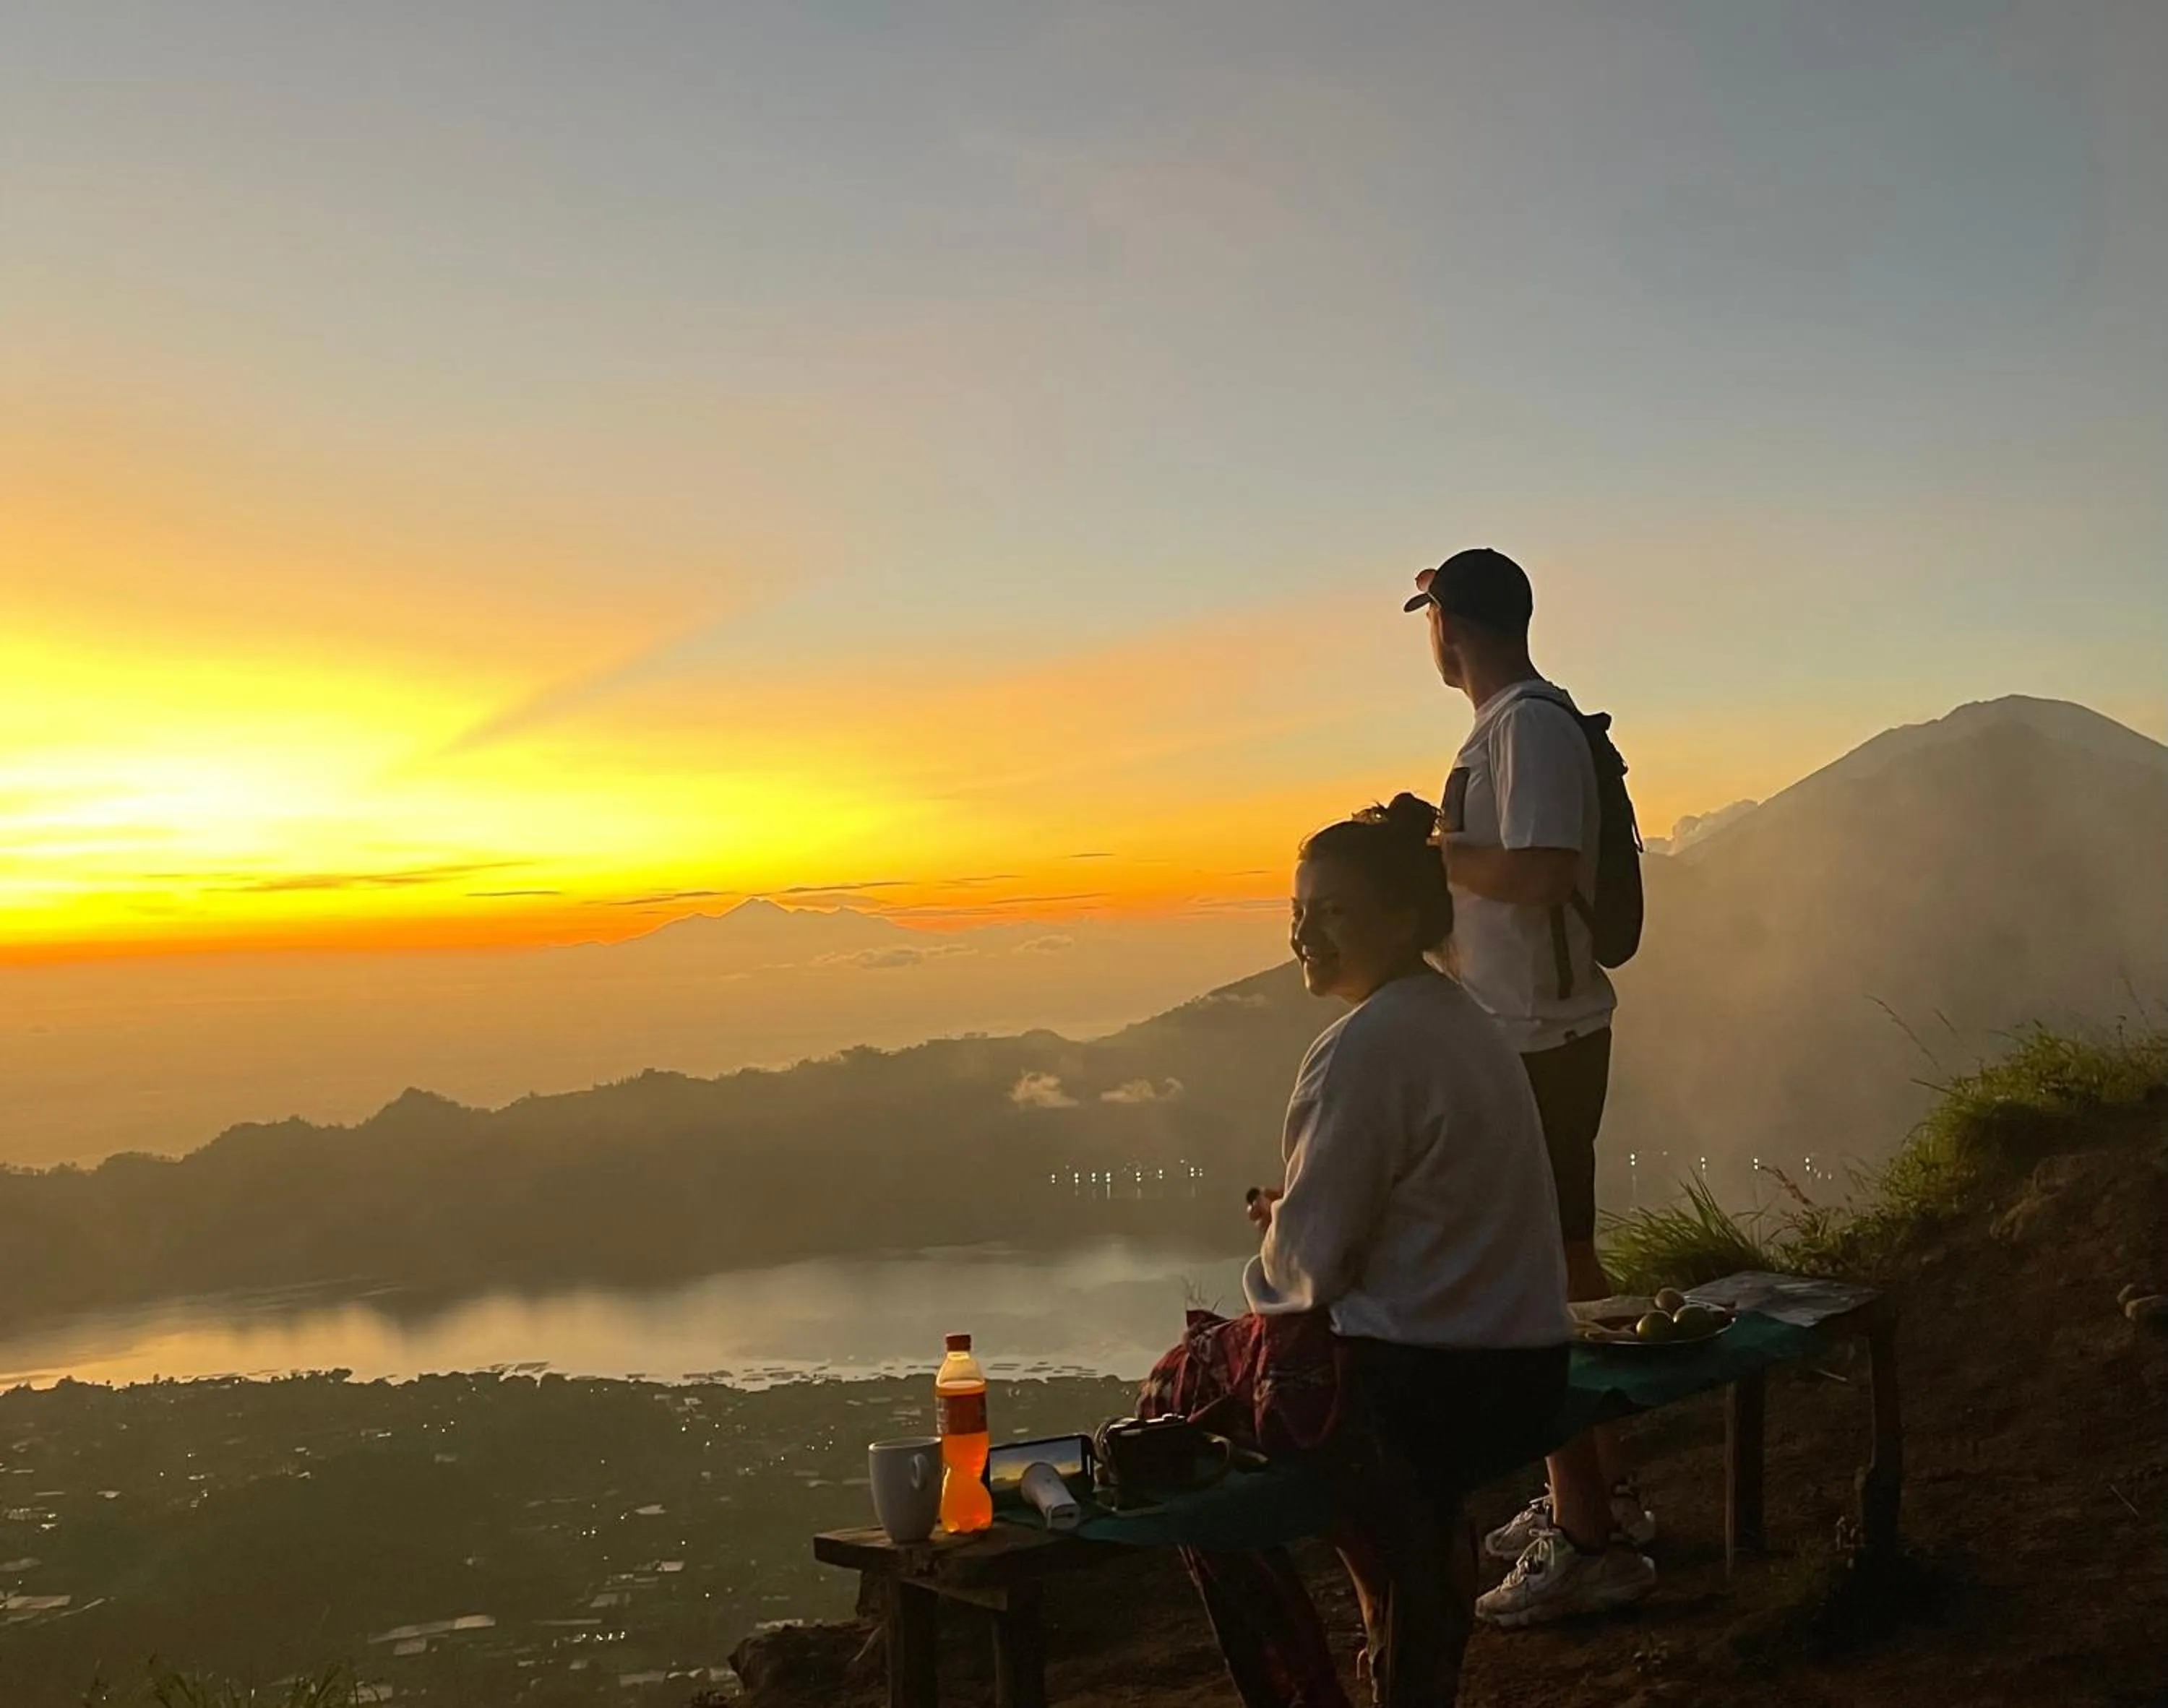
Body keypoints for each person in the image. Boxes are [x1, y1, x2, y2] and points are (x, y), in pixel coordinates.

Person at [1160, 795, 1574, 1707]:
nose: (1304, 935)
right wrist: (1306, 1217)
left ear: (1404, 918)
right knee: (1330, 1442)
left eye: (1333, 912)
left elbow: (1307, 1272)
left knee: (1178, 1398)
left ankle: (1303, 1688)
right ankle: (1396, 1631)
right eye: (1298, 912)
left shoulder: (1362, 1047)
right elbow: (1426, 1218)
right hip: (1522, 1373)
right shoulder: (1466, 1022)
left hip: (1416, 1388)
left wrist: (1283, 1233)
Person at [1403, 546, 1657, 1625]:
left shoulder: (1527, 727)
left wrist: (1430, 855)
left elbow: (1545, 870)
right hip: (1536, 1035)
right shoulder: (1514, 728)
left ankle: (1589, 1539)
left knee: (1531, 1287)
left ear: (1448, 625)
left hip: (1538, 1041)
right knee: (1566, 1267)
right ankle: (1601, 1494)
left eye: (1430, 617)